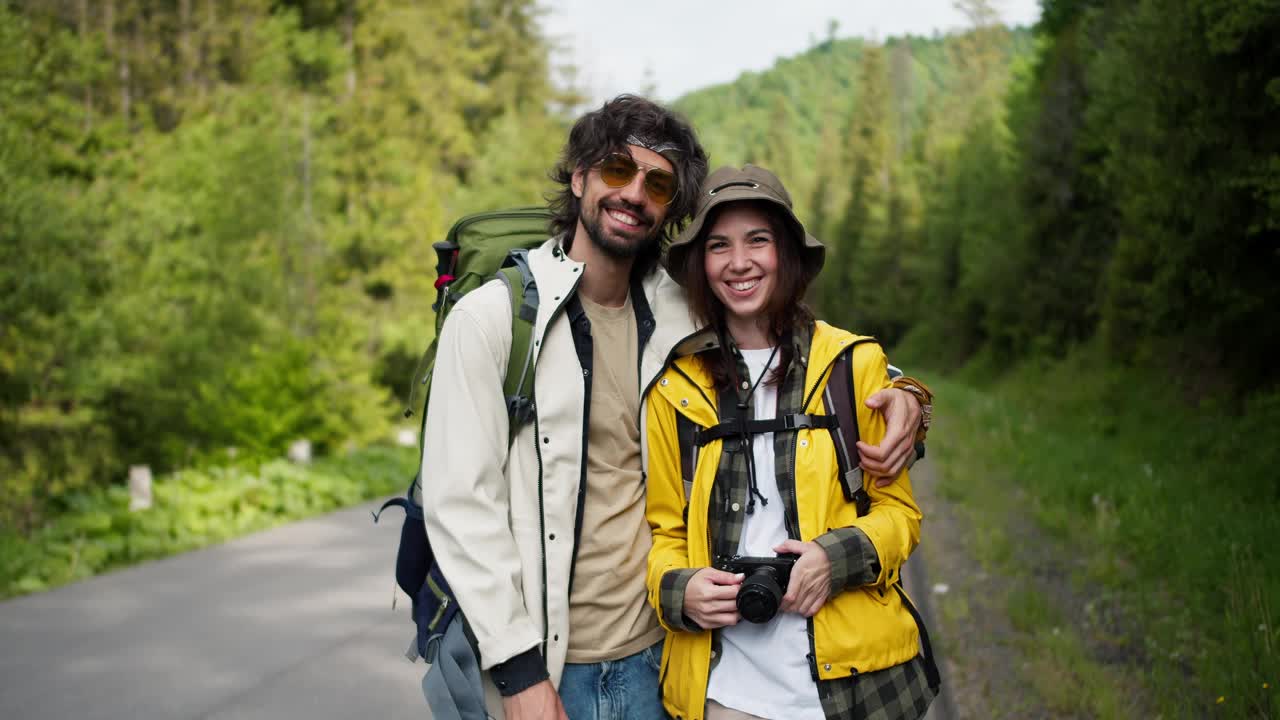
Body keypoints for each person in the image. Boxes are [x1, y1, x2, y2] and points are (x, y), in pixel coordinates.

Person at [420, 97, 928, 720]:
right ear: (578, 176)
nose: (633, 193)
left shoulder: (680, 313)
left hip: (662, 660)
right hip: (546, 667)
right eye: (614, 170)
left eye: (656, 182)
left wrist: (906, 395)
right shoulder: (492, 320)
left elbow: (793, 345)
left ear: (668, 208)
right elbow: (459, 507)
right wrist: (519, 672)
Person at [644, 165, 936, 720]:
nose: (740, 262)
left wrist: (835, 557)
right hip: (725, 693)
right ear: (701, 266)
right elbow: (666, 533)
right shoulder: (675, 389)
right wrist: (679, 590)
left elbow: (901, 518)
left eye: (759, 240)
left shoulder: (854, 366)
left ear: (789, 254)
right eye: (718, 246)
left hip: (857, 690)